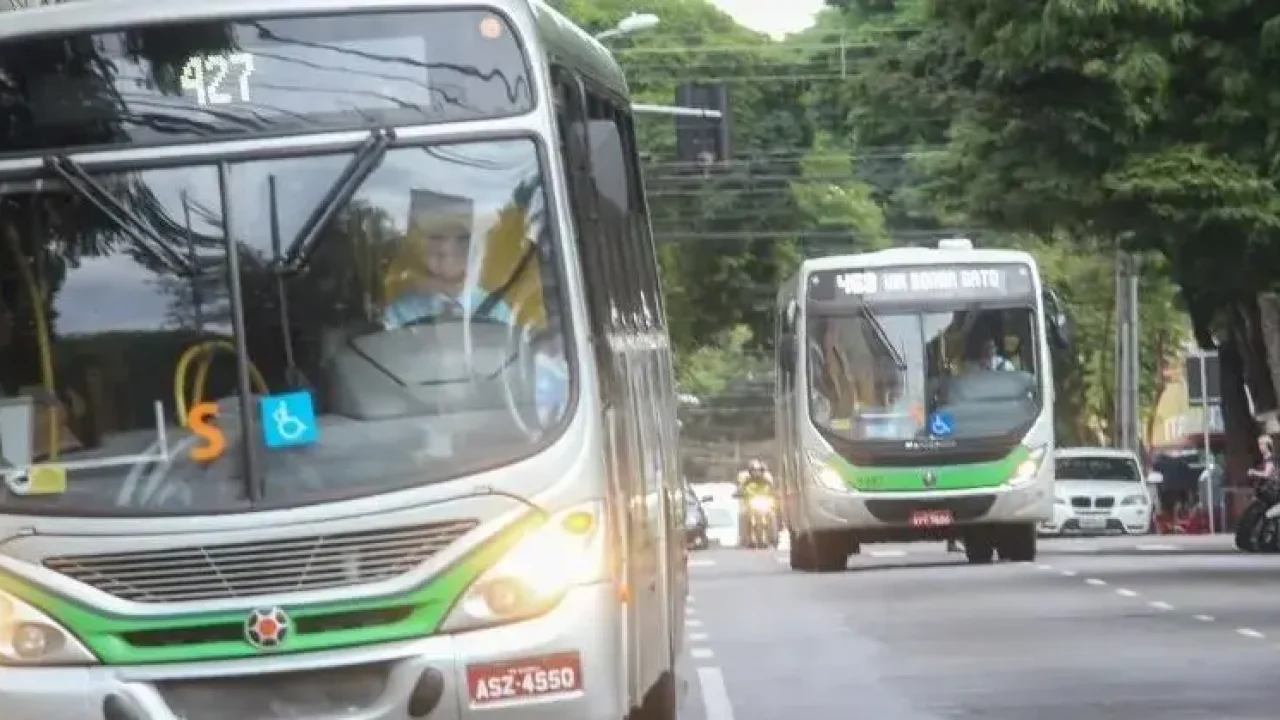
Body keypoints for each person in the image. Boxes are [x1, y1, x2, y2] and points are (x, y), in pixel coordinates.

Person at [383, 190, 514, 328]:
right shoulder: (400, 312)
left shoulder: (497, 310)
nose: (447, 249)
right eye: (436, 237)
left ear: (475, 247)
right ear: (420, 246)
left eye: (463, 239)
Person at [736, 458, 778, 542]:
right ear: (750, 471)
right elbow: (740, 489)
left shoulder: (766, 480)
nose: (756, 473)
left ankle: (773, 536)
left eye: (758, 470)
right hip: (750, 504)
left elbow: (773, 489)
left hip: (764, 503)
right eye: (753, 471)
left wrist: (775, 493)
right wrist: (738, 493)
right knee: (743, 514)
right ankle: (743, 537)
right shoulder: (747, 481)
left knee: (771, 514)